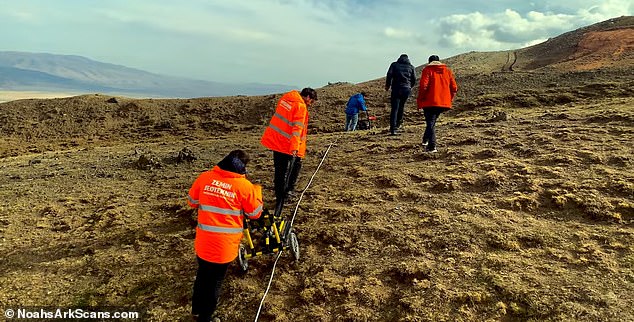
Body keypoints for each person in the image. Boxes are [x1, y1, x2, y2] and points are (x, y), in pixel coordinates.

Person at [187, 150, 263, 322]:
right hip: (224, 247)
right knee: (215, 282)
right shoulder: (245, 187)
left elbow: (191, 202)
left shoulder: (205, 177)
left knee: (203, 275)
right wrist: (256, 193)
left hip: (203, 242)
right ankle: (206, 317)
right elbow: (255, 213)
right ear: (242, 168)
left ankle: (197, 310)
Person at [260, 88, 317, 210]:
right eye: (311, 101)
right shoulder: (300, 107)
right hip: (289, 145)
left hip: (277, 142)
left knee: (279, 171)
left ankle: (279, 195)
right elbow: (297, 129)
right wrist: (295, 148)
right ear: (307, 97)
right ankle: (287, 193)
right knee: (294, 168)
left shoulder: (285, 100)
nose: (310, 104)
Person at [416, 55, 458, 153]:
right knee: (432, 122)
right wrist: (449, 99)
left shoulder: (427, 70)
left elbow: (423, 86)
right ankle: (425, 140)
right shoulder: (447, 71)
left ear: (429, 62)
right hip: (442, 102)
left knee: (430, 122)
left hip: (429, 102)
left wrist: (421, 99)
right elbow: (454, 87)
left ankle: (432, 146)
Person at [385, 53, 417, 135]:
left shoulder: (394, 65)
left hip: (396, 88)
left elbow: (389, 75)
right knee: (401, 107)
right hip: (406, 89)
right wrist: (409, 87)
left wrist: (387, 86)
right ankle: (398, 124)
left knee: (394, 109)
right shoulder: (411, 67)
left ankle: (393, 129)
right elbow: (414, 79)